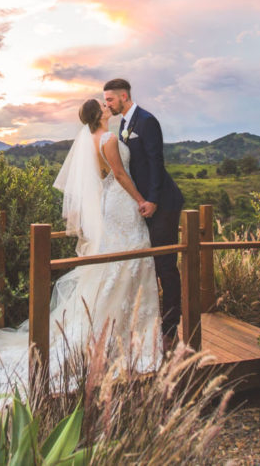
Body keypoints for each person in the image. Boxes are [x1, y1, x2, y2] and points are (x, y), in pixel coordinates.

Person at [0, 98, 161, 396]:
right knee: (129, 261)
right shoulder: (106, 139)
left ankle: (127, 332)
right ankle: (130, 336)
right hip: (121, 204)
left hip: (111, 205)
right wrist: (141, 200)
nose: (109, 107)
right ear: (100, 114)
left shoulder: (91, 140)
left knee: (120, 266)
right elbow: (119, 176)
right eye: (104, 106)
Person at [103, 78, 184, 348]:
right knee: (151, 264)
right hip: (144, 204)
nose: (108, 104)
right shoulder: (125, 124)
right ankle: (155, 320)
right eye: (106, 101)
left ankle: (171, 328)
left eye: (110, 100)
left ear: (124, 96)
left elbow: (155, 162)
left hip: (163, 203)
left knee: (165, 265)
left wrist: (152, 200)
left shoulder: (147, 120)